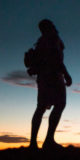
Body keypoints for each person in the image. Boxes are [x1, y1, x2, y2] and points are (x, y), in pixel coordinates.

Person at [28, 19, 72, 150]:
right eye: (51, 24)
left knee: (41, 107)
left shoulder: (41, 41)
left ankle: (33, 143)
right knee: (59, 104)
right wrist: (66, 74)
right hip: (53, 76)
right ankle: (48, 140)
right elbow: (57, 58)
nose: (54, 26)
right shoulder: (52, 38)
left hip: (43, 77)